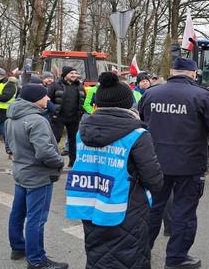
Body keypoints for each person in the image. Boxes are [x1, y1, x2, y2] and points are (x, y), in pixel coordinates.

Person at [66, 72, 164, 268]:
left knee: (98, 256)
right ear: (128, 103)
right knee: (129, 258)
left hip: (91, 204)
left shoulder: (82, 131)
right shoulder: (137, 134)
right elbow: (154, 180)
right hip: (128, 208)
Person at [138, 57, 209, 269]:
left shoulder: (151, 93)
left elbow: (140, 119)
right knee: (184, 211)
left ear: (171, 71)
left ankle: (140, 255)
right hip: (189, 164)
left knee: (152, 210)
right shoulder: (201, 95)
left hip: (155, 162)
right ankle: (176, 258)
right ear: (194, 73)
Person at [5, 84, 67, 269]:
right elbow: (44, 152)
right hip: (38, 175)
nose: (48, 99)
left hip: (21, 171)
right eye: (45, 97)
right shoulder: (36, 120)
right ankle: (37, 260)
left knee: (18, 213)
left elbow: (8, 146)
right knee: (36, 219)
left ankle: (18, 248)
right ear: (35, 99)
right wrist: (59, 162)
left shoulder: (11, 117)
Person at [47, 66, 85, 167]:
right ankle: (52, 161)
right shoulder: (55, 85)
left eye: (75, 73)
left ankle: (73, 163)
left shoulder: (80, 86)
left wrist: (82, 113)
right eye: (71, 73)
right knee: (55, 139)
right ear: (65, 74)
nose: (74, 75)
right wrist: (53, 111)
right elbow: (47, 100)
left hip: (74, 118)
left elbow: (83, 101)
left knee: (74, 141)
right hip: (58, 117)